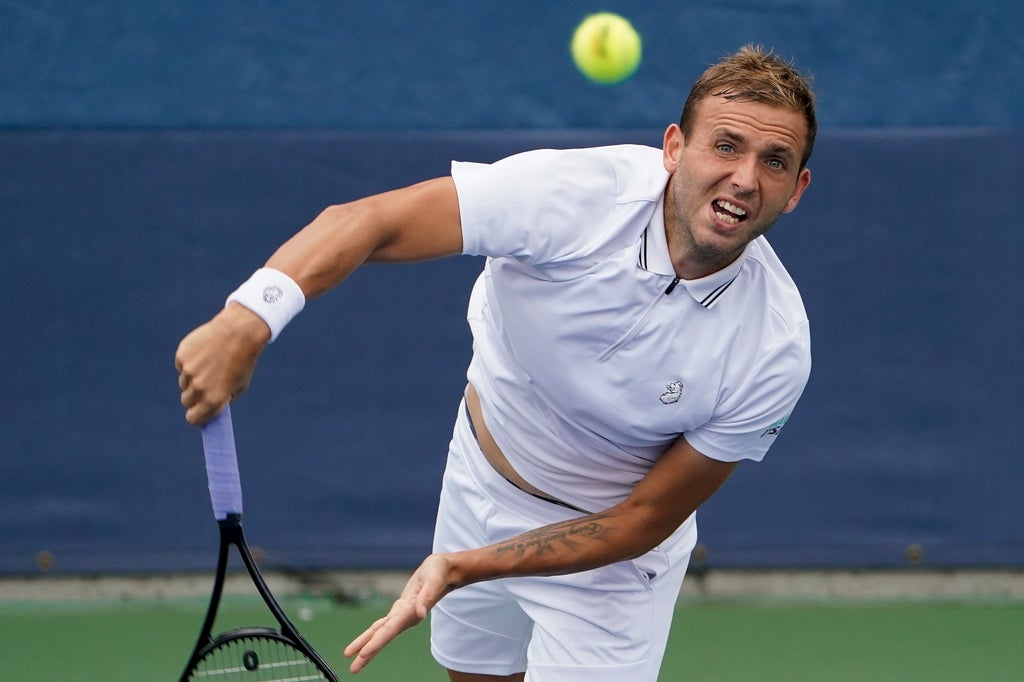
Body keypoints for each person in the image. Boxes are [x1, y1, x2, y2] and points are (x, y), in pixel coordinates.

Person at [176, 44, 816, 682]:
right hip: (478, 479)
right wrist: (247, 319)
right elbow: (371, 222)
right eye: (725, 146)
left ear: (795, 190)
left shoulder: (774, 347)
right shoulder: (575, 195)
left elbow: (643, 518)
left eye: (774, 161)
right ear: (674, 148)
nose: (745, 178)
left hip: (611, 564)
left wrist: (465, 566)